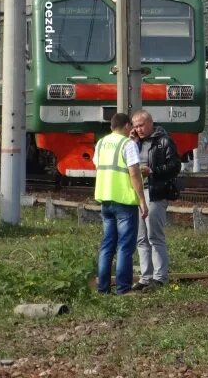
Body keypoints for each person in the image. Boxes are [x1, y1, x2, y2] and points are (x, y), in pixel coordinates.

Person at [94, 113, 148, 295]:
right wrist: (142, 200)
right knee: (125, 246)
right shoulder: (128, 144)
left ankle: (103, 288)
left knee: (107, 245)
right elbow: (133, 173)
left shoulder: (101, 143)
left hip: (105, 200)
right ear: (126, 126)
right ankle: (123, 289)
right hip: (124, 201)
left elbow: (100, 165)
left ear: (111, 126)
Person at [131, 110, 182, 290]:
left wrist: (153, 171)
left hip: (156, 192)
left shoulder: (164, 141)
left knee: (154, 236)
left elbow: (175, 166)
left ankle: (160, 278)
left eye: (141, 125)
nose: (139, 129)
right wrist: (132, 142)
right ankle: (145, 277)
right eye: (135, 126)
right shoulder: (135, 143)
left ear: (151, 123)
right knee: (141, 237)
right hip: (137, 193)